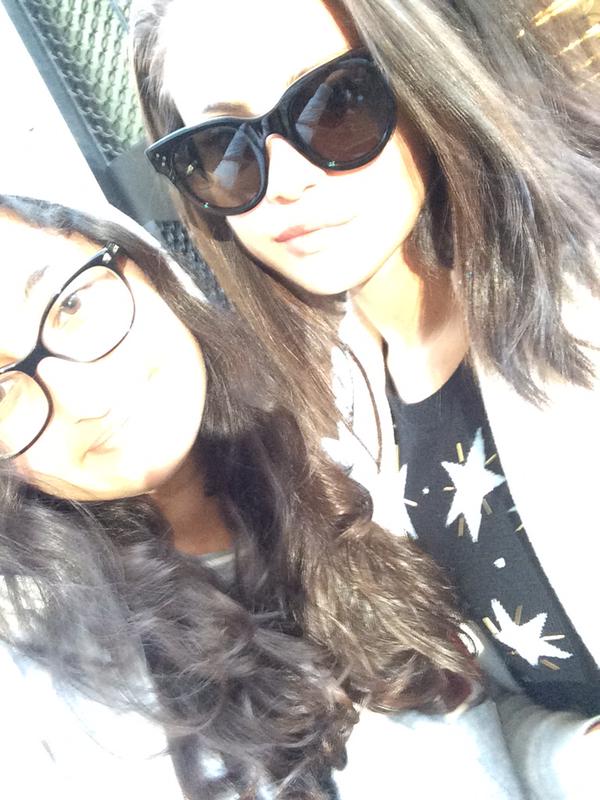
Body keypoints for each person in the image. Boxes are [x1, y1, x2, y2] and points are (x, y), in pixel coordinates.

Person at [131, 0, 600, 796]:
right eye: (225, 148)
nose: (285, 181)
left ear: (423, 77)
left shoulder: (579, 286)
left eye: (335, 104)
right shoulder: (334, 413)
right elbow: (493, 698)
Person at [0, 194, 528, 799]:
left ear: (144, 270)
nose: (85, 396)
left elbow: (469, 707)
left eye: (69, 305)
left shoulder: (351, 444)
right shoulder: (46, 687)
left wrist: (561, 754)